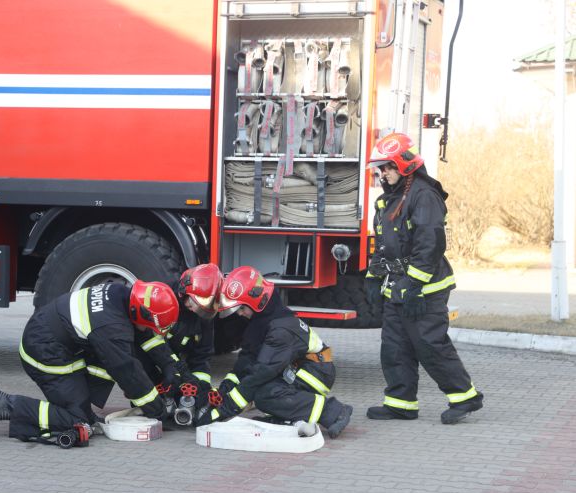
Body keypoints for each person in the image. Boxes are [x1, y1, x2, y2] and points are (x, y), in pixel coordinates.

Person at [364, 132, 483, 424]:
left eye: (388, 167)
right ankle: (400, 403)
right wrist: (371, 276)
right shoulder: (387, 201)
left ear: (404, 165)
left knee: (429, 343)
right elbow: (384, 244)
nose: (383, 173)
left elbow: (429, 244)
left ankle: (465, 398)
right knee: (395, 346)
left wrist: (414, 284)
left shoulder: (423, 195)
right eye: (381, 168)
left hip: (425, 288)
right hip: (397, 287)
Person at [0, 280, 180, 446]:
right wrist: (156, 409)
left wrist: (169, 366)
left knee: (91, 402)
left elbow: (138, 338)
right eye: (150, 325)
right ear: (140, 311)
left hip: (54, 339)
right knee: (77, 421)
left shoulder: (121, 293)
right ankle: (8, 405)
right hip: (44, 352)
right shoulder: (110, 327)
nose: (150, 330)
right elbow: (126, 371)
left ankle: (82, 408)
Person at [195, 266, 353, 439]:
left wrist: (224, 411)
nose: (240, 314)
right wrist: (224, 392)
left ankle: (332, 411)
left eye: (241, 308)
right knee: (260, 386)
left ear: (255, 302)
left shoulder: (280, 331)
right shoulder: (263, 321)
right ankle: (286, 417)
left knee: (265, 394)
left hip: (316, 372)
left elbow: (261, 372)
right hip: (297, 368)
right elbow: (246, 362)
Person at [135, 263, 222, 423]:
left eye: (204, 307)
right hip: (151, 360)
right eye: (196, 303)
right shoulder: (161, 297)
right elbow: (149, 342)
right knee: (154, 402)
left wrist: (200, 386)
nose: (197, 310)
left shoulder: (203, 314)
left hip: (173, 365)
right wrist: (176, 369)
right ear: (185, 291)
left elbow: (202, 355)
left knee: (186, 396)